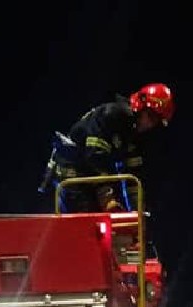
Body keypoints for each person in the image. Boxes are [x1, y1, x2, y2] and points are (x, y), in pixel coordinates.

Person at [38, 83, 174, 213]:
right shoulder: (112, 116)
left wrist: (138, 209)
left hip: (90, 179)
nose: (150, 124)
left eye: (156, 121)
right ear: (140, 106)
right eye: (150, 116)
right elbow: (95, 156)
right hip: (73, 174)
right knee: (88, 224)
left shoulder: (134, 133)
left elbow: (133, 175)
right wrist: (107, 197)